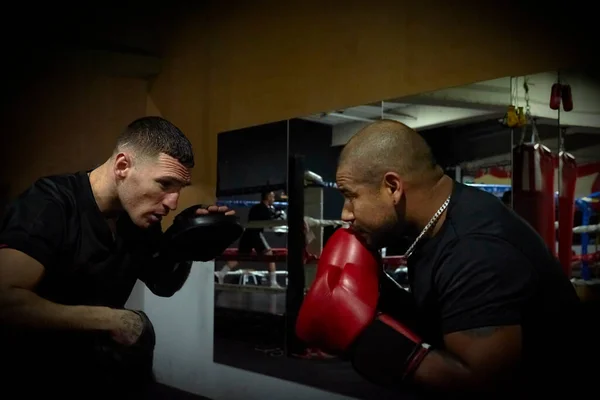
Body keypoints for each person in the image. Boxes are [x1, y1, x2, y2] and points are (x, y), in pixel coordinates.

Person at [296, 119, 584, 398]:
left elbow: (480, 384)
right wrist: (375, 292)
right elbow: (441, 321)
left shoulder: (475, 251)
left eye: (351, 195)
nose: (345, 213)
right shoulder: (440, 221)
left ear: (393, 188)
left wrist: (362, 338)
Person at [0, 116, 234, 397]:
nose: (173, 202)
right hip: (36, 375)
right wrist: (113, 320)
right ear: (123, 166)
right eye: (165, 184)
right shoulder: (51, 204)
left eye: (178, 190)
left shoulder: (136, 218)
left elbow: (163, 284)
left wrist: (185, 245)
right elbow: (6, 300)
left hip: (102, 373)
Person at [218, 190, 281, 287]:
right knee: (270, 255)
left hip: (247, 234)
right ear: (268, 197)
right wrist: (278, 218)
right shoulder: (265, 209)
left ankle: (221, 274)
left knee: (240, 257)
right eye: (272, 197)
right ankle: (273, 283)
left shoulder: (255, 208)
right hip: (255, 234)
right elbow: (271, 225)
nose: (273, 199)